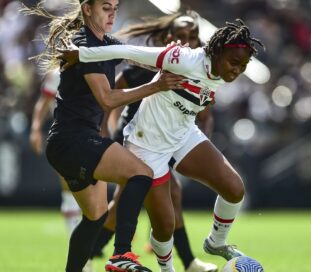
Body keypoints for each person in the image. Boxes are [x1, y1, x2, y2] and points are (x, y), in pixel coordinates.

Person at [60, 18, 264, 272]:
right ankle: (167, 269)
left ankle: (216, 242)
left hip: (183, 134)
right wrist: (82, 54)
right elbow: (128, 52)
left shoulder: (222, 71)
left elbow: (200, 94)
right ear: (217, 51)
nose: (237, 71)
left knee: (234, 189)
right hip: (147, 145)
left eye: (243, 67)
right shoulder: (182, 59)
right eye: (234, 63)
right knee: (165, 227)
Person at [23, 1, 185, 272]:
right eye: (106, 7)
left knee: (95, 218)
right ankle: (122, 254)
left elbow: (135, 55)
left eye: (116, 7)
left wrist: (170, 54)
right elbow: (108, 99)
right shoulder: (83, 43)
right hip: (74, 140)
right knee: (141, 174)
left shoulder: (105, 43)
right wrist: (156, 86)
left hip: (67, 143)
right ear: (87, 9)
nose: (113, 13)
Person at [90, 12, 217, 272]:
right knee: (124, 205)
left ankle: (186, 261)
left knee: (172, 194)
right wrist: (105, 129)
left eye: (192, 37)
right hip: (135, 138)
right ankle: (91, 253)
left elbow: (205, 115)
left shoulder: (198, 70)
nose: (187, 41)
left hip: (167, 141)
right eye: (181, 36)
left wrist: (201, 143)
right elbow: (111, 96)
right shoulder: (144, 67)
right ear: (168, 38)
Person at [29, 69, 94, 272]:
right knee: (70, 190)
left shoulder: (97, 65)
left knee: (91, 196)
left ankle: (91, 249)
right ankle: (81, 255)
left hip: (92, 132)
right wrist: (35, 128)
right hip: (65, 134)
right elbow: (44, 102)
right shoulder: (57, 73)